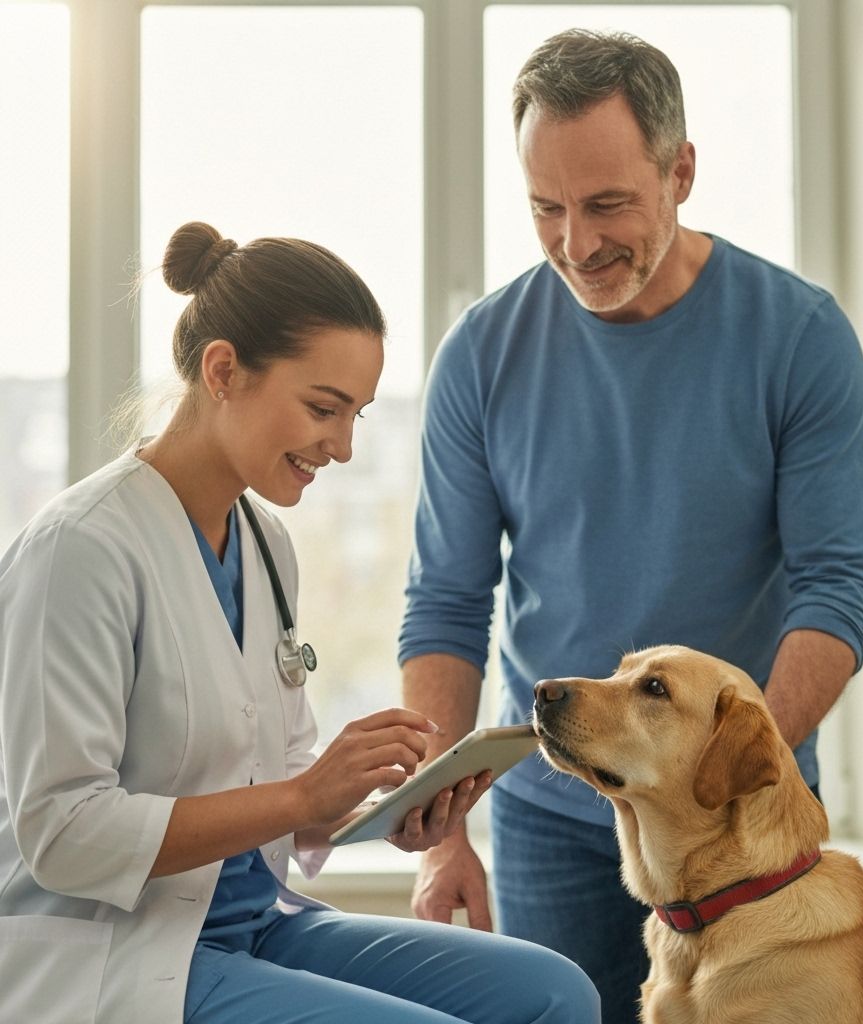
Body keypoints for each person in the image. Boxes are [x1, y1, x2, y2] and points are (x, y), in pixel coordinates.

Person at [0, 221, 601, 1024]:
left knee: (557, 994)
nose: (344, 448)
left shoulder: (265, 545)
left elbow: (278, 779)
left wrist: (377, 805)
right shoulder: (80, 549)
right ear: (223, 371)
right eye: (325, 408)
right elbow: (64, 832)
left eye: (356, 415)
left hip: (252, 925)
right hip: (121, 951)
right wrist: (300, 794)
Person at [399, 28, 863, 1024]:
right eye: (546, 207)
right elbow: (447, 601)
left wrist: (720, 772)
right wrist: (442, 833)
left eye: (607, 202)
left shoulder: (798, 338)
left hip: (741, 815)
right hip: (551, 821)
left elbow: (835, 588)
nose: (577, 243)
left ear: (681, 171)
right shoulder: (482, 353)